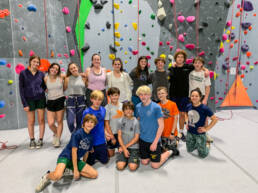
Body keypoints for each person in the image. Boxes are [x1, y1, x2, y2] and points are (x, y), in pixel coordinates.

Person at [35, 114, 98, 193]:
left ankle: (68, 169)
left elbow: (86, 152)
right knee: (57, 176)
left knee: (94, 174)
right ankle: (46, 176)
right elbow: (74, 152)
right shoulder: (77, 134)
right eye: (87, 122)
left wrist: (83, 164)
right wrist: (75, 169)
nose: (89, 124)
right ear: (84, 123)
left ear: (94, 124)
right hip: (66, 157)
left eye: (92, 122)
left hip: (75, 160)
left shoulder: (91, 137)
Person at [168, 50, 209, 142]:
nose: (180, 58)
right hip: (173, 95)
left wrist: (206, 70)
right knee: (173, 115)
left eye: (182, 57)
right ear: (176, 58)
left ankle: (181, 132)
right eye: (178, 57)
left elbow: (199, 66)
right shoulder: (171, 68)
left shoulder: (188, 67)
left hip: (184, 95)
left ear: (184, 59)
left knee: (182, 114)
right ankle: (172, 132)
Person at [135, 86, 173, 169]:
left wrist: (155, 142)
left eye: (145, 94)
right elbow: (138, 120)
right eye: (141, 95)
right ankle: (152, 154)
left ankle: (169, 152)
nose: (143, 97)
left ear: (149, 95)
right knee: (144, 162)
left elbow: (161, 126)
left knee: (155, 165)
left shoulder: (156, 107)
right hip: (143, 139)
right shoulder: (138, 106)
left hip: (153, 140)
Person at [19, 55, 46, 149]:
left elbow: (44, 87)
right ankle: (32, 140)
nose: (36, 63)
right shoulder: (23, 73)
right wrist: (24, 103)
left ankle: (41, 140)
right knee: (31, 121)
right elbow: (21, 90)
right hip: (29, 100)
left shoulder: (41, 74)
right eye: (34, 61)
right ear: (30, 61)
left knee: (41, 120)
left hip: (40, 99)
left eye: (38, 62)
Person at [186, 88, 217, 158]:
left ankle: (207, 144)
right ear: (190, 97)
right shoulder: (188, 106)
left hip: (200, 133)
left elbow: (215, 119)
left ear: (200, 97)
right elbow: (186, 114)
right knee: (189, 150)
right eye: (192, 96)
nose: (194, 98)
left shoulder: (204, 108)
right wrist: (186, 123)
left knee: (203, 155)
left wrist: (206, 129)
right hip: (190, 132)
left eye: (196, 96)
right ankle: (197, 143)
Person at [81, 90, 108, 165]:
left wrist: (106, 133)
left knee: (105, 161)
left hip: (101, 140)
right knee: (89, 163)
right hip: (91, 141)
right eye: (95, 99)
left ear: (102, 100)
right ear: (91, 99)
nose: (97, 101)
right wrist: (88, 144)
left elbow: (104, 124)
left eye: (99, 99)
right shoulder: (87, 112)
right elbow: (83, 128)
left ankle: (97, 154)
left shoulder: (103, 110)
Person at [44, 63, 66, 147]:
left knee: (59, 121)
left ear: (58, 71)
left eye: (56, 69)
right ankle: (56, 133)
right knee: (50, 123)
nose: (54, 70)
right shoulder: (45, 78)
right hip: (50, 101)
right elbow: (45, 89)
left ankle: (58, 139)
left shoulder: (61, 77)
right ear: (50, 68)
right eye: (53, 68)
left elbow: (65, 85)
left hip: (60, 100)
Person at [116, 101, 140, 171]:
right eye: (126, 109)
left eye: (130, 109)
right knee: (120, 167)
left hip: (133, 147)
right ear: (123, 110)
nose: (128, 111)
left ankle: (133, 160)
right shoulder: (120, 121)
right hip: (123, 146)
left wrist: (125, 148)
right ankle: (125, 159)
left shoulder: (136, 122)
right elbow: (119, 136)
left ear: (133, 110)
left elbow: (136, 138)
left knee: (132, 167)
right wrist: (124, 148)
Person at [64, 62, 87, 133]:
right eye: (71, 69)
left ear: (77, 67)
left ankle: (77, 138)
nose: (73, 69)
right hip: (71, 100)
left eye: (74, 67)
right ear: (69, 71)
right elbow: (64, 89)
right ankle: (74, 134)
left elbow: (87, 87)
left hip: (81, 100)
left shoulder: (83, 78)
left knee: (79, 122)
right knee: (70, 122)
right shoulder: (67, 79)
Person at [157, 87, 180, 156]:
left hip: (171, 133)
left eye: (162, 93)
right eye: (159, 94)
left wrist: (172, 133)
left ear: (166, 94)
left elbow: (176, 119)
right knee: (162, 150)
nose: (160, 95)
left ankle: (177, 138)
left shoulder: (173, 104)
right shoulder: (157, 106)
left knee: (174, 152)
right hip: (162, 134)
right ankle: (169, 145)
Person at [105, 87, 123, 157]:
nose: (114, 97)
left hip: (121, 133)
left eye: (116, 95)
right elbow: (106, 123)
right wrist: (112, 137)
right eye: (112, 95)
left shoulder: (122, 105)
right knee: (111, 155)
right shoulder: (107, 107)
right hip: (112, 133)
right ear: (109, 96)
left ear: (119, 95)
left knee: (121, 152)